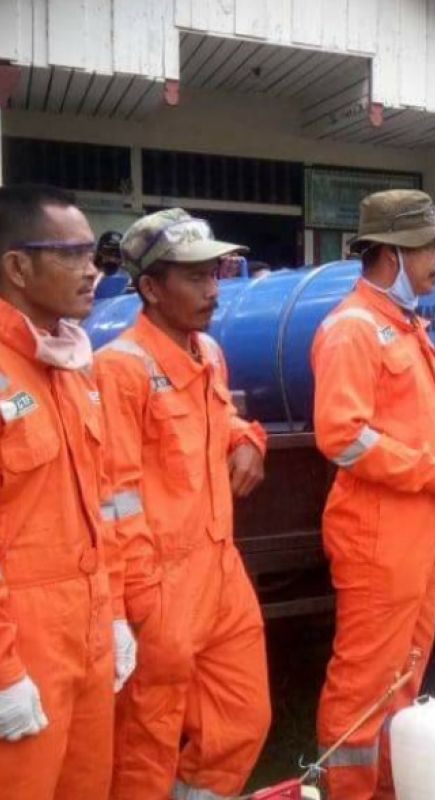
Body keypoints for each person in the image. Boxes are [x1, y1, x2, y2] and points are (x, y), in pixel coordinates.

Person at [310, 190, 435, 798]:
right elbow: (342, 436)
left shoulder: (405, 324)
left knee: (404, 675)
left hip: (417, 532)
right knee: (365, 684)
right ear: (390, 253)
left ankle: (388, 787)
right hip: (379, 538)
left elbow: (425, 413)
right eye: (428, 246)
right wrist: (433, 471)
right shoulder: (353, 329)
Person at [95, 208, 270, 799]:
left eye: (215, 273)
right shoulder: (120, 369)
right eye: (195, 277)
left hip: (221, 571)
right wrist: (140, 602)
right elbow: (113, 497)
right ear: (149, 288)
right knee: (147, 743)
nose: (213, 289)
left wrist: (249, 438)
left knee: (244, 719)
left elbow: (222, 421)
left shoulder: (209, 353)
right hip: (161, 585)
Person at [0, 185, 125, 799]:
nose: (92, 270)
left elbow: (104, 504)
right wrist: (3, 672)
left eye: (92, 253)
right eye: (72, 254)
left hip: (90, 625)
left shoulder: (71, 367)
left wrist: (117, 612)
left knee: (86, 787)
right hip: (23, 640)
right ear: (18, 267)